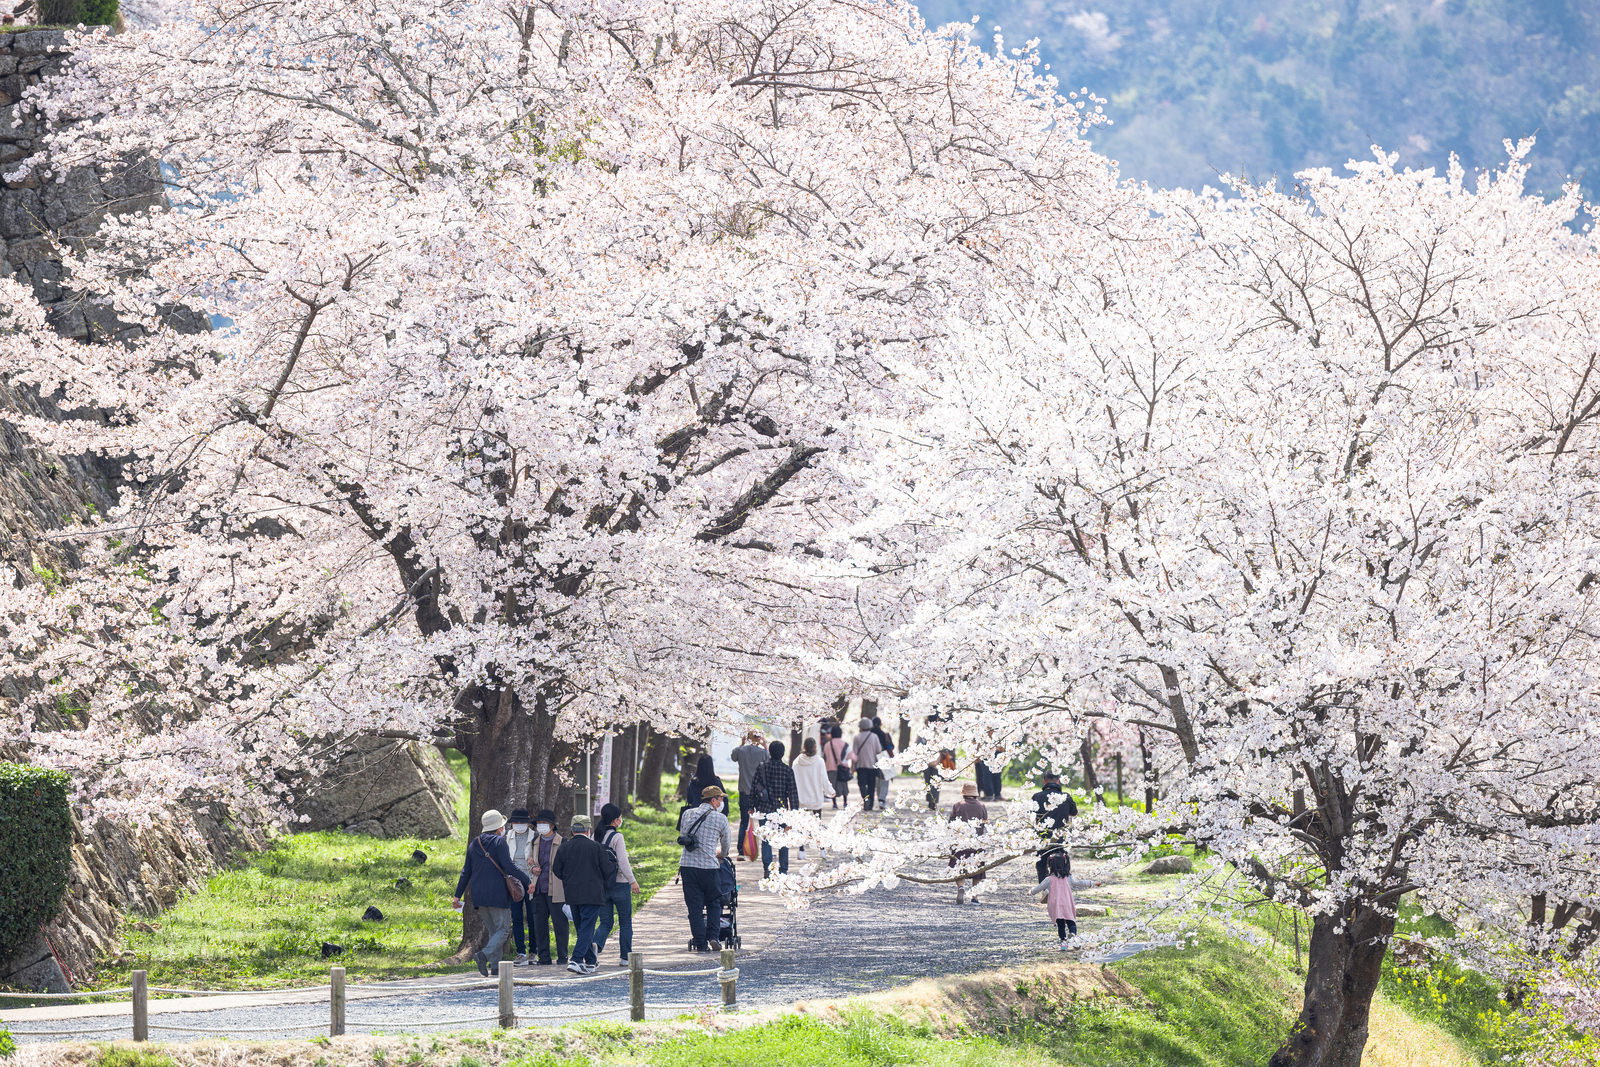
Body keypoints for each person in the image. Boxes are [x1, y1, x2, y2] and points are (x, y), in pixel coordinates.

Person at [453, 809, 532, 976]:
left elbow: (466, 871)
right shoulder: (499, 842)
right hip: (497, 893)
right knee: (503, 929)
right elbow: (509, 867)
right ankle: (484, 955)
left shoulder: (474, 843)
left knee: (493, 931)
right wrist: (527, 880)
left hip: (479, 895)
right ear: (499, 828)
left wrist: (457, 896)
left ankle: (495, 967)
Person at [551, 814, 617, 975]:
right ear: (588, 829)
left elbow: (556, 870)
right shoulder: (596, 847)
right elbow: (608, 870)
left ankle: (591, 961)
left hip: (572, 894)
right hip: (593, 894)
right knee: (587, 927)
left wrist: (568, 879)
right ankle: (576, 959)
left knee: (582, 928)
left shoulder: (564, 847)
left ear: (572, 830)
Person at [678, 784, 733, 952]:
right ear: (713, 800)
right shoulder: (720, 818)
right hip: (709, 866)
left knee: (694, 907)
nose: (722, 802)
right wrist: (722, 854)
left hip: (688, 865)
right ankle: (713, 937)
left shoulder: (687, 814)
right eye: (720, 799)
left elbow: (683, 835)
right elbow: (726, 843)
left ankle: (701, 944)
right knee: (714, 903)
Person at [592, 802, 642, 966]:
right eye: (619, 817)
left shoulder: (595, 836)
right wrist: (632, 881)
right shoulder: (617, 837)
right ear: (615, 820)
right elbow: (622, 861)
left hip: (601, 885)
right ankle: (625, 957)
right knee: (625, 921)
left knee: (605, 922)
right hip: (620, 884)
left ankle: (595, 944)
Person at [749, 739, 800, 877]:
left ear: (770, 752)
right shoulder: (787, 770)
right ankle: (783, 870)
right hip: (781, 810)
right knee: (783, 838)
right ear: (783, 753)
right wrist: (794, 813)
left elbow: (754, 788)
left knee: (766, 839)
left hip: (764, 809)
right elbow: (793, 793)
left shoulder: (762, 767)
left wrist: (751, 805)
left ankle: (768, 868)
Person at [525, 809, 570, 965]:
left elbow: (566, 866)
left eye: (544, 823)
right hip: (538, 889)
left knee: (560, 925)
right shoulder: (535, 841)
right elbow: (530, 861)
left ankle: (563, 956)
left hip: (557, 890)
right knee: (540, 925)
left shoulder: (562, 842)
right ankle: (544, 957)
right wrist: (533, 869)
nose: (541, 826)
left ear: (552, 825)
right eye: (539, 823)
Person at [504, 808, 539, 965]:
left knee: (532, 917)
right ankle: (521, 952)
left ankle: (534, 951)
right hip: (514, 882)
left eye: (522, 822)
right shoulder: (507, 836)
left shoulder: (535, 836)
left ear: (527, 823)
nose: (519, 824)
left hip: (531, 880)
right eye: (516, 822)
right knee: (516, 917)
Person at [1032, 771, 1080, 880]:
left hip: (1042, 836)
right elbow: (1074, 812)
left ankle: (1044, 887)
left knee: (1041, 863)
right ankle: (1061, 887)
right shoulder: (1065, 796)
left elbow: (1031, 815)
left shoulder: (1037, 797)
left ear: (1044, 781)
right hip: (1059, 837)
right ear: (1058, 781)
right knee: (1060, 866)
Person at [792, 737, 834, 857]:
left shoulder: (796, 762)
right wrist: (830, 791)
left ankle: (801, 850)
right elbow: (824, 779)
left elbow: (793, 781)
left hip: (801, 798)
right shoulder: (819, 761)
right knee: (818, 824)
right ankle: (822, 850)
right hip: (816, 797)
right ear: (815, 747)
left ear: (804, 747)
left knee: (801, 825)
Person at [948, 782, 989, 905]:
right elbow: (985, 823)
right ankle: (974, 897)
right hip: (977, 843)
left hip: (960, 843)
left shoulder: (957, 805)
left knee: (958, 867)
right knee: (977, 871)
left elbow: (951, 824)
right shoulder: (982, 806)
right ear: (975, 793)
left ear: (963, 793)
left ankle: (961, 887)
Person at [731, 730, 768, 861]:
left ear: (747, 738)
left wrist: (741, 744)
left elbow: (733, 756)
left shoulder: (741, 751)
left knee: (744, 820)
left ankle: (741, 851)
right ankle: (765, 850)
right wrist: (765, 745)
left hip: (745, 791)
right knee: (763, 821)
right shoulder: (762, 752)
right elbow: (769, 759)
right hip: (759, 792)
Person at [1033, 848, 1079, 949]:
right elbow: (1079, 883)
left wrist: (1031, 892)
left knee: (1061, 925)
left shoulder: (1049, 879)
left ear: (1051, 866)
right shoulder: (1068, 877)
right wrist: (1093, 883)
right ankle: (1073, 936)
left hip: (1056, 905)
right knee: (1071, 922)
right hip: (1067, 903)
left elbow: (1039, 887)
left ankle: (1063, 944)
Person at [850, 717, 884, 811]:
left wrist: (852, 766)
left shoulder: (857, 737)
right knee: (871, 785)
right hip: (872, 765)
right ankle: (870, 804)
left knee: (862, 784)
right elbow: (878, 750)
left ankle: (866, 799)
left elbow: (854, 753)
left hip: (860, 765)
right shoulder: (874, 736)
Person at [822, 724, 852, 809]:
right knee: (844, 786)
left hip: (830, 768)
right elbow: (850, 756)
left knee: (832, 786)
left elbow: (825, 757)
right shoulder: (845, 744)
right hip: (843, 768)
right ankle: (845, 803)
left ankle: (834, 804)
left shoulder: (827, 745)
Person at [871, 716, 896, 807]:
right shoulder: (885, 735)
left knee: (876, 779)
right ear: (880, 724)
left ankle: (877, 798)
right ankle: (882, 799)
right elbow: (891, 747)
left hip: (872, 758)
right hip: (884, 758)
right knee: (884, 779)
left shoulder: (869, 735)